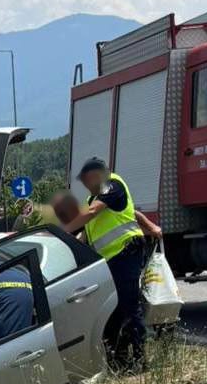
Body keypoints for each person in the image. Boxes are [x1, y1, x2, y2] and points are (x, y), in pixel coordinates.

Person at [63, 158, 162, 369]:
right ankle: (119, 358)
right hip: (111, 261)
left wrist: (63, 230)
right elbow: (86, 232)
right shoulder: (94, 198)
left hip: (125, 253)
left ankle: (139, 360)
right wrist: (67, 245)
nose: (85, 185)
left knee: (129, 307)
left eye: (86, 180)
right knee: (113, 310)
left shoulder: (111, 184)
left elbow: (91, 214)